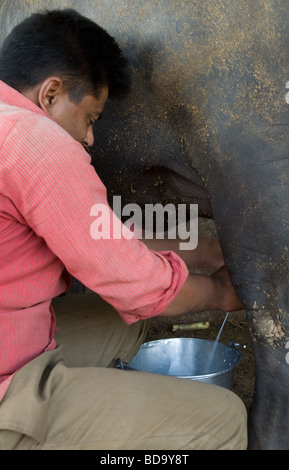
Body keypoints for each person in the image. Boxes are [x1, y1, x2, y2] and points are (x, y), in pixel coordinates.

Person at [0, 9, 247, 450]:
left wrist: (206, 250)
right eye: (91, 117)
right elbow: (136, 284)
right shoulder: (35, 143)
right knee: (223, 419)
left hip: (14, 335)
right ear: (51, 93)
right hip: (6, 388)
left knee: (123, 328)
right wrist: (217, 294)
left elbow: (96, 236)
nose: (91, 138)